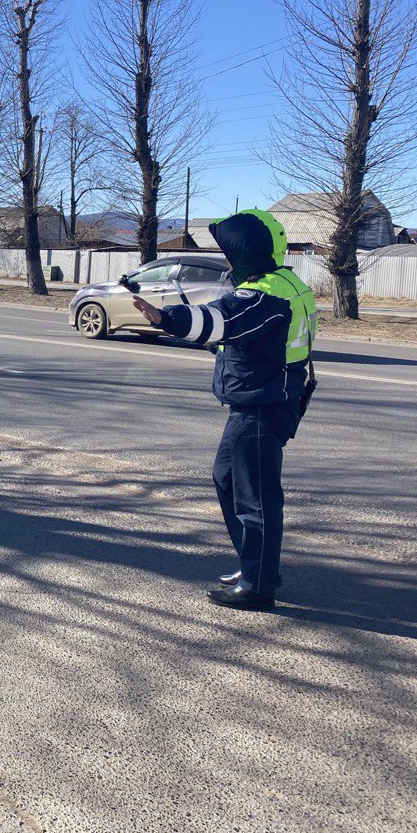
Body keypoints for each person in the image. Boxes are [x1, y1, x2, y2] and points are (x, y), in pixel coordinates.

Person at [132, 209, 317, 611]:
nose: (228, 260)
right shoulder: (286, 283)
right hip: (267, 398)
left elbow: (221, 319)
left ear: (248, 250)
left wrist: (167, 318)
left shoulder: (264, 294)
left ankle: (257, 586)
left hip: (262, 406)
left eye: (231, 251)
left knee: (256, 497)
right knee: (228, 479)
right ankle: (258, 565)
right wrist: (222, 344)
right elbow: (256, 336)